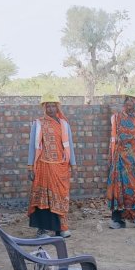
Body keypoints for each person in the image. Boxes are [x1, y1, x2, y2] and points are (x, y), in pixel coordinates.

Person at [27, 94, 76, 238]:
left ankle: (60, 228)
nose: (50, 108)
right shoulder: (38, 123)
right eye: (47, 106)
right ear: (44, 107)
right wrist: (30, 166)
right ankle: (42, 230)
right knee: (43, 199)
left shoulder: (64, 124)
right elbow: (32, 146)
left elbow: (69, 145)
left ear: (57, 107)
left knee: (61, 197)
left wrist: (73, 164)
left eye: (53, 105)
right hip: (44, 167)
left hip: (61, 167)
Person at [106, 90, 135, 229]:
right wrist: (111, 157)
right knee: (118, 189)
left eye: (133, 100)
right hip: (119, 158)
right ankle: (118, 220)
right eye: (127, 99)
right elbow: (113, 139)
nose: (129, 102)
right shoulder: (116, 117)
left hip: (134, 160)